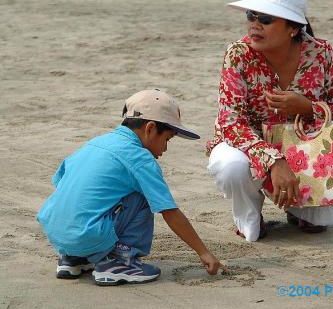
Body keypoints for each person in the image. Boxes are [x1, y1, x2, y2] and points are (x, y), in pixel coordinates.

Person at [206, 0, 333, 242]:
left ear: (293, 28)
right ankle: (250, 214)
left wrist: (310, 108)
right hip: (250, 147)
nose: (254, 24)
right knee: (229, 165)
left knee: (319, 222)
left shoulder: (320, 54)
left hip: (305, 148)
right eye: (251, 15)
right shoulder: (237, 54)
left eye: (265, 18)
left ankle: (297, 208)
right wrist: (273, 160)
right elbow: (230, 122)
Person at [37, 89, 222, 286]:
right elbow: (169, 211)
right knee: (144, 193)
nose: (165, 148)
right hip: (87, 236)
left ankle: (74, 259)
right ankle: (120, 262)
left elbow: (62, 183)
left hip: (58, 237)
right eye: (167, 139)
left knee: (91, 195)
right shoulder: (140, 158)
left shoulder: (95, 143)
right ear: (150, 128)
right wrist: (203, 252)